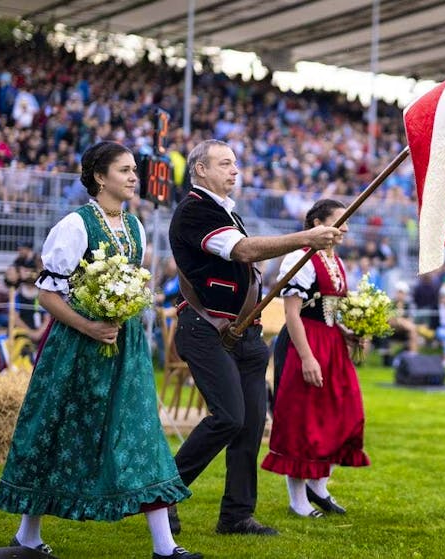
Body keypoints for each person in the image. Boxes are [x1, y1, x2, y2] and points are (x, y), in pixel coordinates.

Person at [0, 141, 201, 559]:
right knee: (57, 432)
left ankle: (165, 546)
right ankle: (27, 536)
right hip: (77, 348)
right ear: (100, 177)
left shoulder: (135, 226)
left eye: (134, 170)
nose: (134, 177)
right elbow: (47, 295)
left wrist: (128, 308)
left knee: (141, 433)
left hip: (126, 348)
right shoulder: (75, 225)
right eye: (125, 170)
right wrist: (90, 326)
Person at [167, 140, 339, 537]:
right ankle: (164, 491)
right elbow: (243, 251)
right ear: (200, 170)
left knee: (248, 427)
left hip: (244, 333)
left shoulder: (227, 211)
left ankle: (236, 516)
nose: (234, 170)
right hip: (207, 329)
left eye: (235, 163)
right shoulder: (194, 210)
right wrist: (306, 238)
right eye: (224, 163)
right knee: (228, 417)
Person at [262, 198, 370, 517]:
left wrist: (347, 333)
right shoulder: (301, 258)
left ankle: (318, 486)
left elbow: (329, 311)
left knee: (343, 413)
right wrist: (307, 357)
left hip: (331, 342)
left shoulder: (336, 260)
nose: (345, 228)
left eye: (347, 221)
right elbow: (292, 314)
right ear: (317, 224)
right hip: (304, 341)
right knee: (302, 418)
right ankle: (298, 498)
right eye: (339, 221)